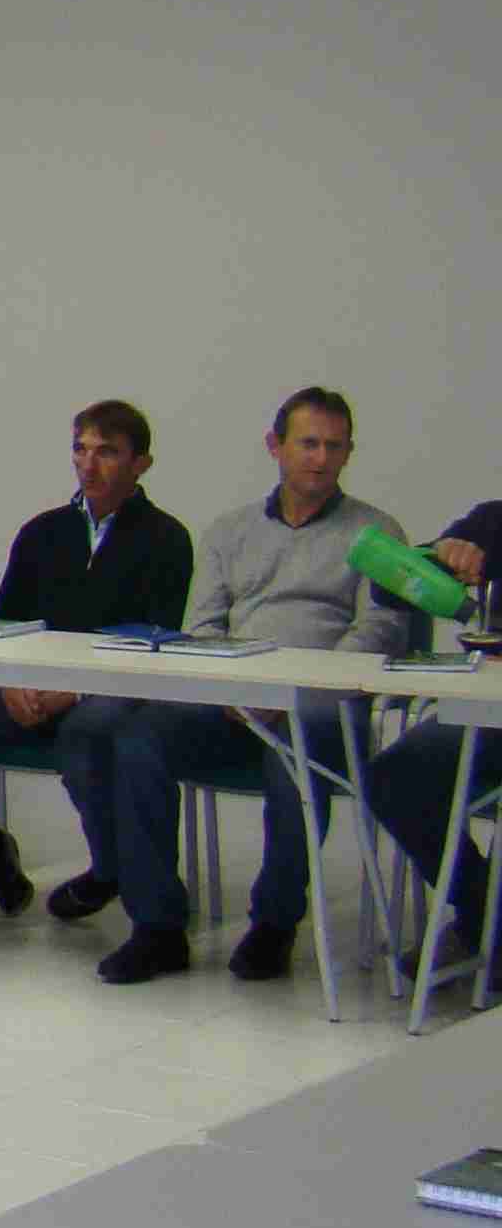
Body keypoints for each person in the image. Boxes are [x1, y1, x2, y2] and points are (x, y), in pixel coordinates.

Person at [88, 386, 410, 986]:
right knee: (138, 736)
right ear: (275, 446)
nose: (321, 458)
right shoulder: (229, 530)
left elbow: (379, 630)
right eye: (308, 443)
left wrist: (298, 689)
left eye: (334, 446)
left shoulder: (376, 533)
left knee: (296, 752)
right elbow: (203, 626)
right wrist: (234, 689)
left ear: (348, 453)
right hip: (232, 702)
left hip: (319, 707)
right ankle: (156, 927)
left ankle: (275, 922)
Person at [0, 400, 194, 917]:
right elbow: (4, 624)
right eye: (80, 450)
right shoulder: (42, 532)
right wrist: (11, 683)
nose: (88, 465)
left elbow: (154, 641)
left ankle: (110, 870)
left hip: (114, 690)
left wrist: (71, 692)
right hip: (31, 686)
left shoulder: (167, 539)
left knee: (83, 733)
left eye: (107, 452)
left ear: (141, 464)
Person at [364, 496, 501, 1000]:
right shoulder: (495, 521)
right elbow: (389, 588)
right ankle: (484, 915)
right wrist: (441, 555)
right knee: (393, 776)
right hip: (490, 712)